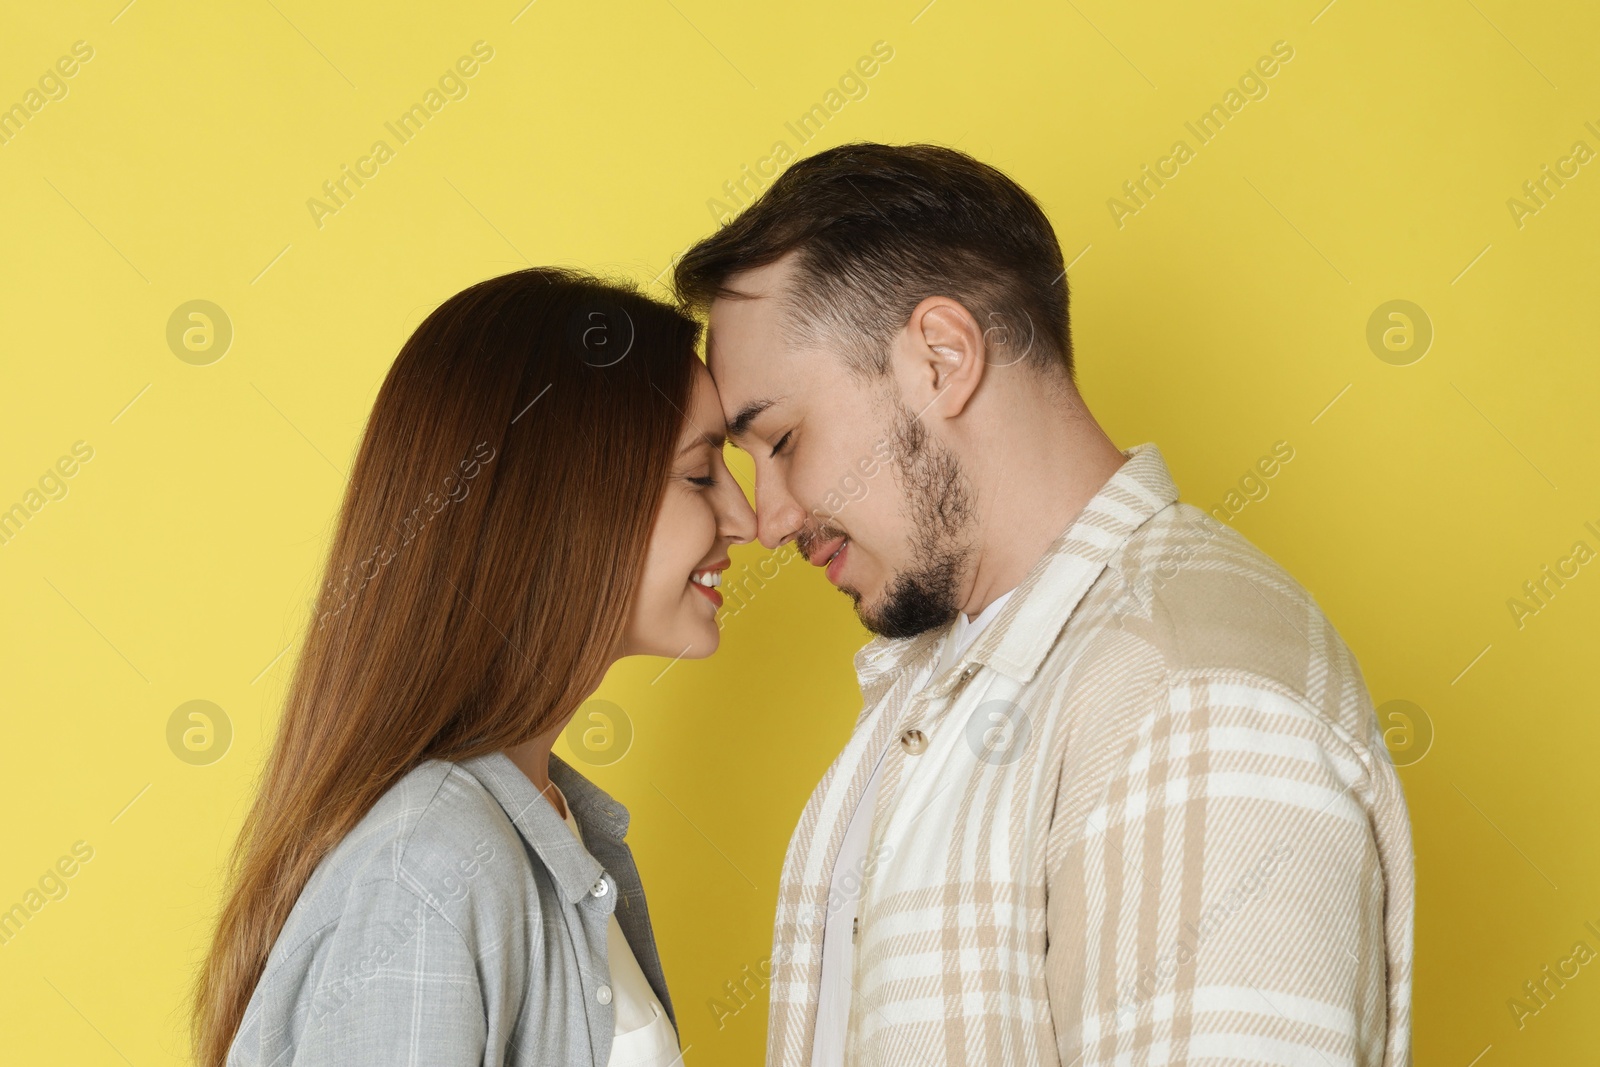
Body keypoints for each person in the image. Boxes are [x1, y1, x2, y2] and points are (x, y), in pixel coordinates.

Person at [673, 143, 1414, 1067]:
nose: (770, 516)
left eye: (782, 438)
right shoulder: (949, 676)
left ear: (941, 358)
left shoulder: (1189, 697)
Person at [190, 267, 756, 1067]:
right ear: (563, 498)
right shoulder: (432, 867)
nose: (749, 516)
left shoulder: (539, 828)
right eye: (701, 472)